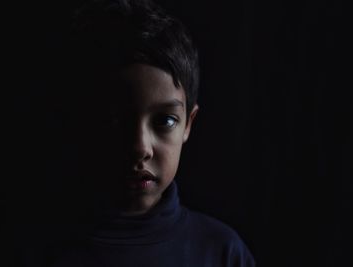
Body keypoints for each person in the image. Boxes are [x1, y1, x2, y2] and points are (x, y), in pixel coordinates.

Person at [24, 0, 256, 266]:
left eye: (165, 121)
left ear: (188, 124)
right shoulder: (40, 250)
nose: (140, 147)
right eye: (115, 120)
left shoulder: (222, 253)